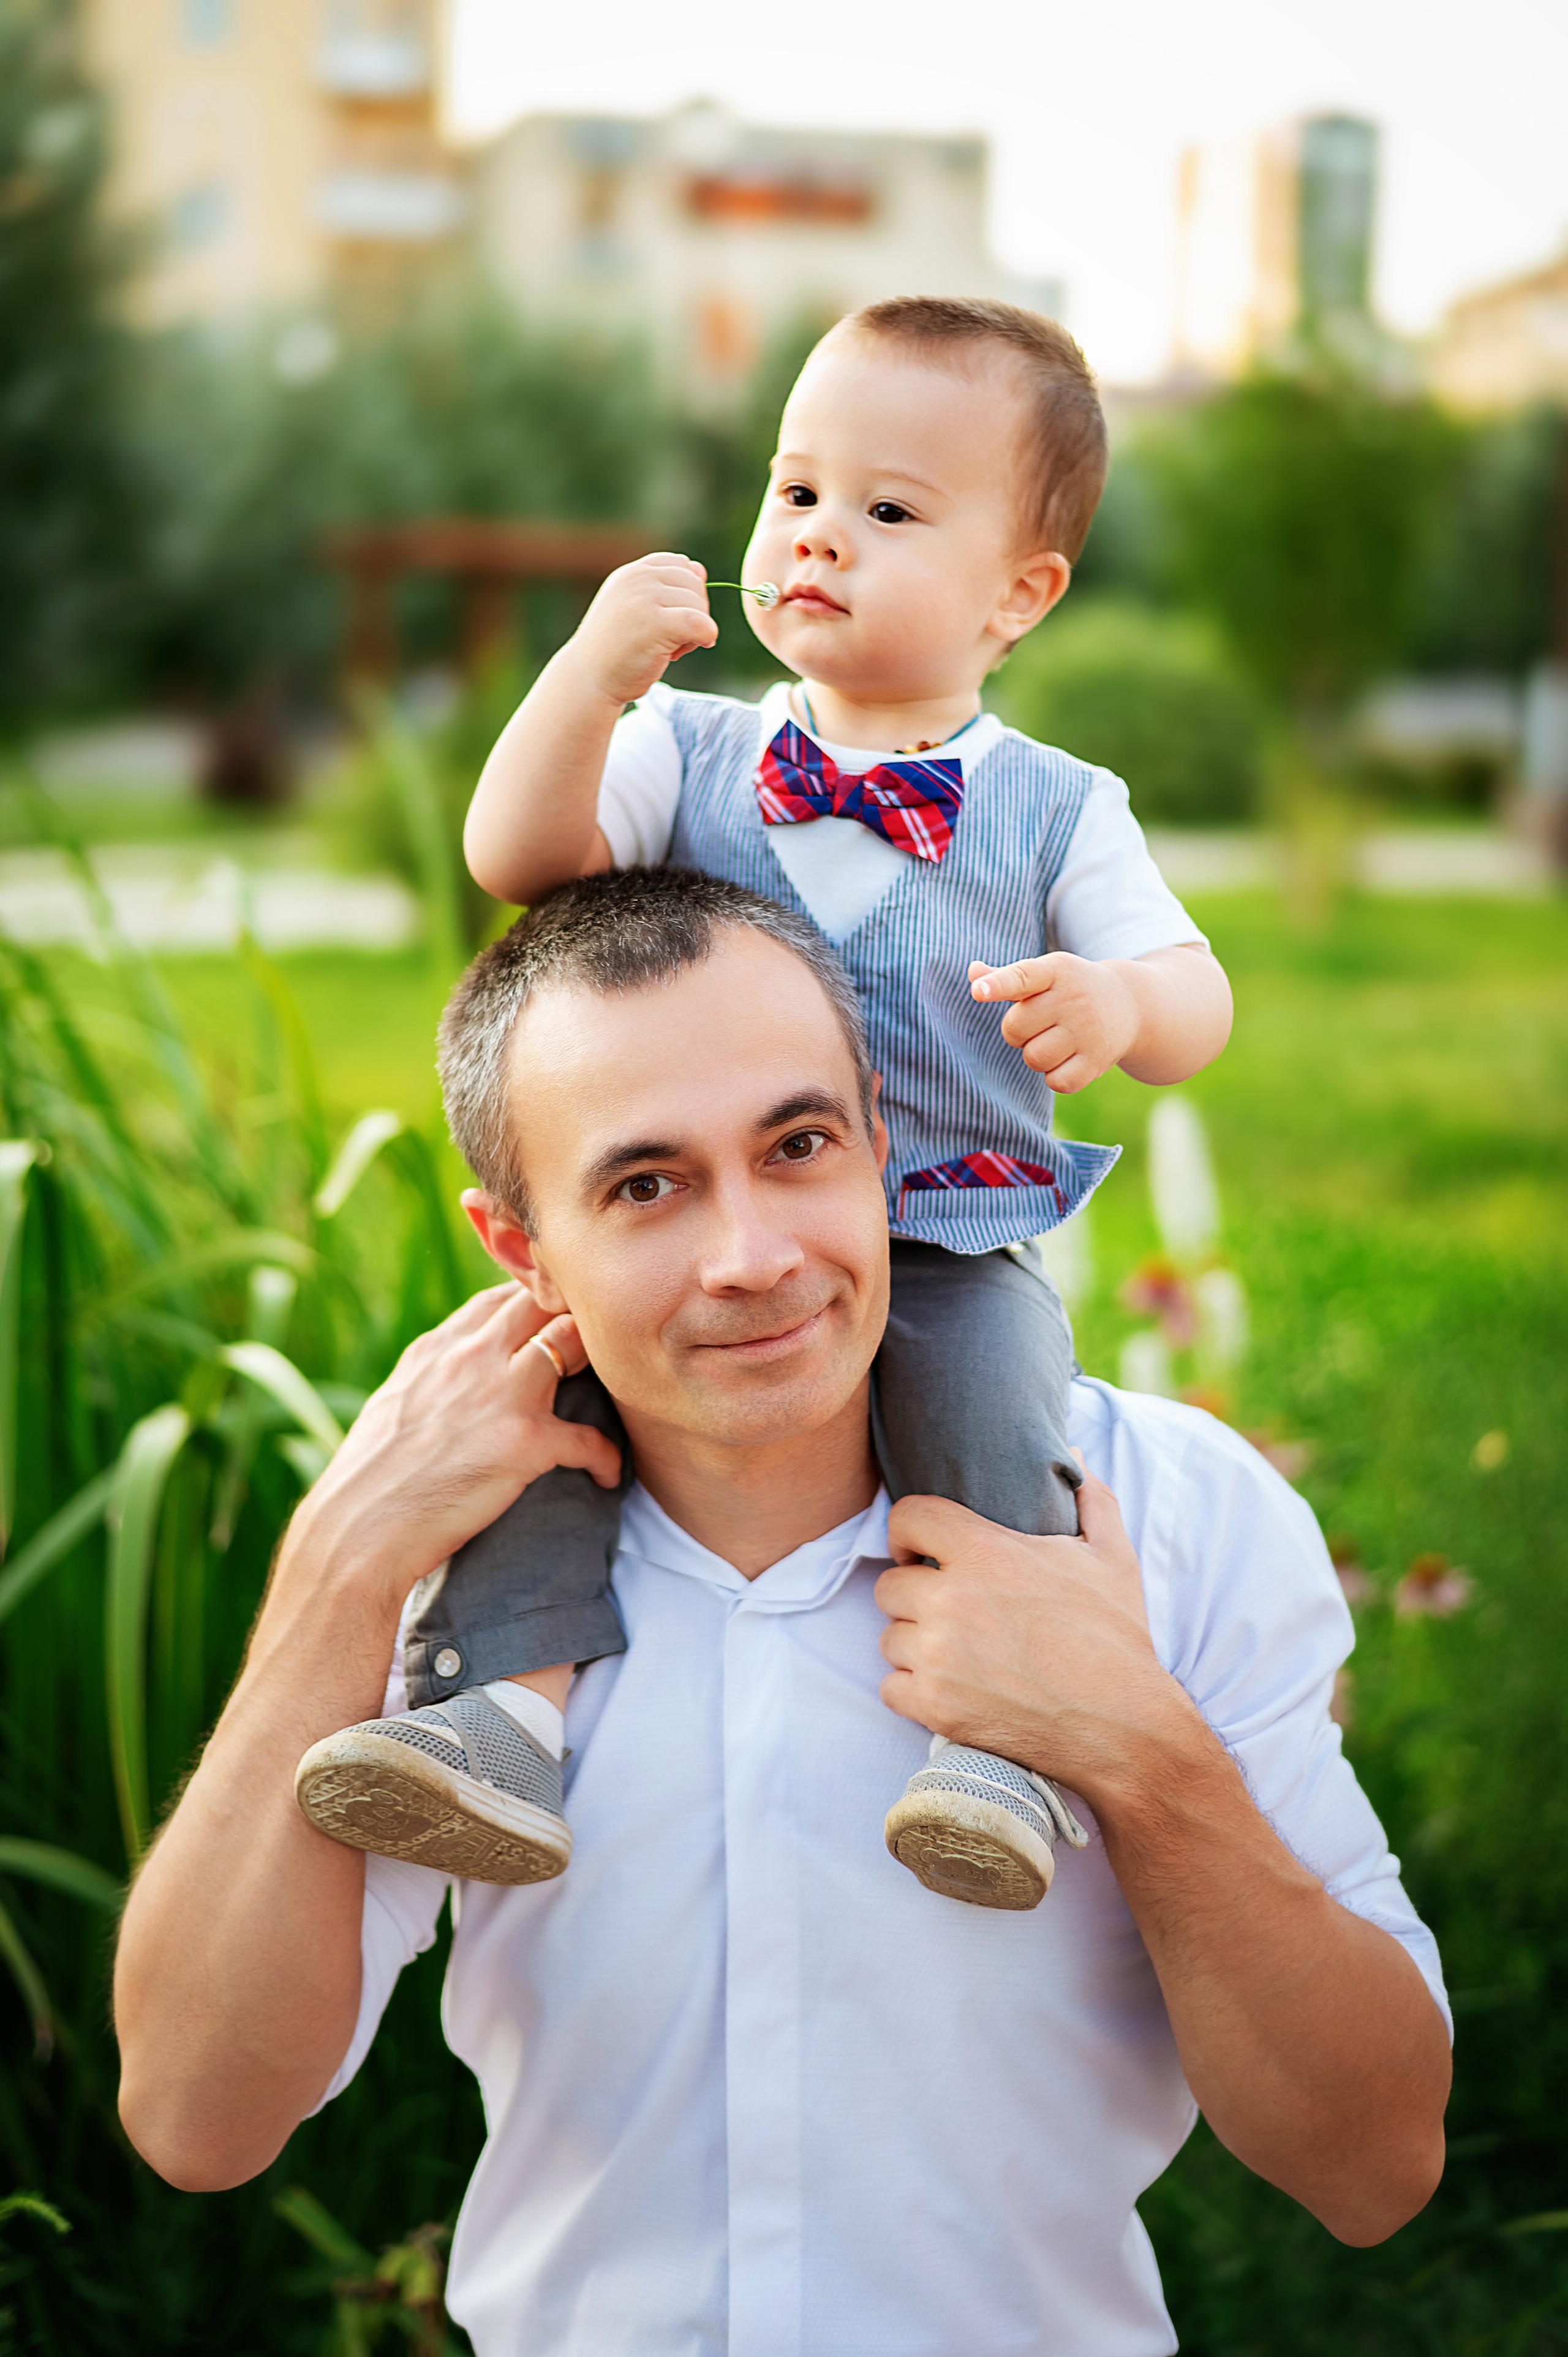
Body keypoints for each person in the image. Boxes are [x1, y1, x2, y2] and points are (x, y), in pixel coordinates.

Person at [115, 871, 1449, 2355]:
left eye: (797, 1145)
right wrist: (334, 1571)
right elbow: (194, 2117)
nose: (751, 1255)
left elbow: (1373, 2166)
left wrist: (1135, 1742)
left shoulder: (1167, 1511)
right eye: (645, 1185)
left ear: (882, 1137)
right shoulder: (456, 1564)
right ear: (518, 1246)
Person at [296, 295, 1235, 1907]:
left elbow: (1196, 1001)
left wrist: (1122, 1000)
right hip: (677, 1229)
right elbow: (518, 858)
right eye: (797, 492)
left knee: (996, 1412)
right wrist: (588, 679)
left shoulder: (1061, 812)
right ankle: (499, 1721)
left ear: (1021, 594)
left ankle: (998, 1746)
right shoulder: (686, 744)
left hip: (938, 1229)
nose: (818, 537)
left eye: (887, 511)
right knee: (548, 1407)